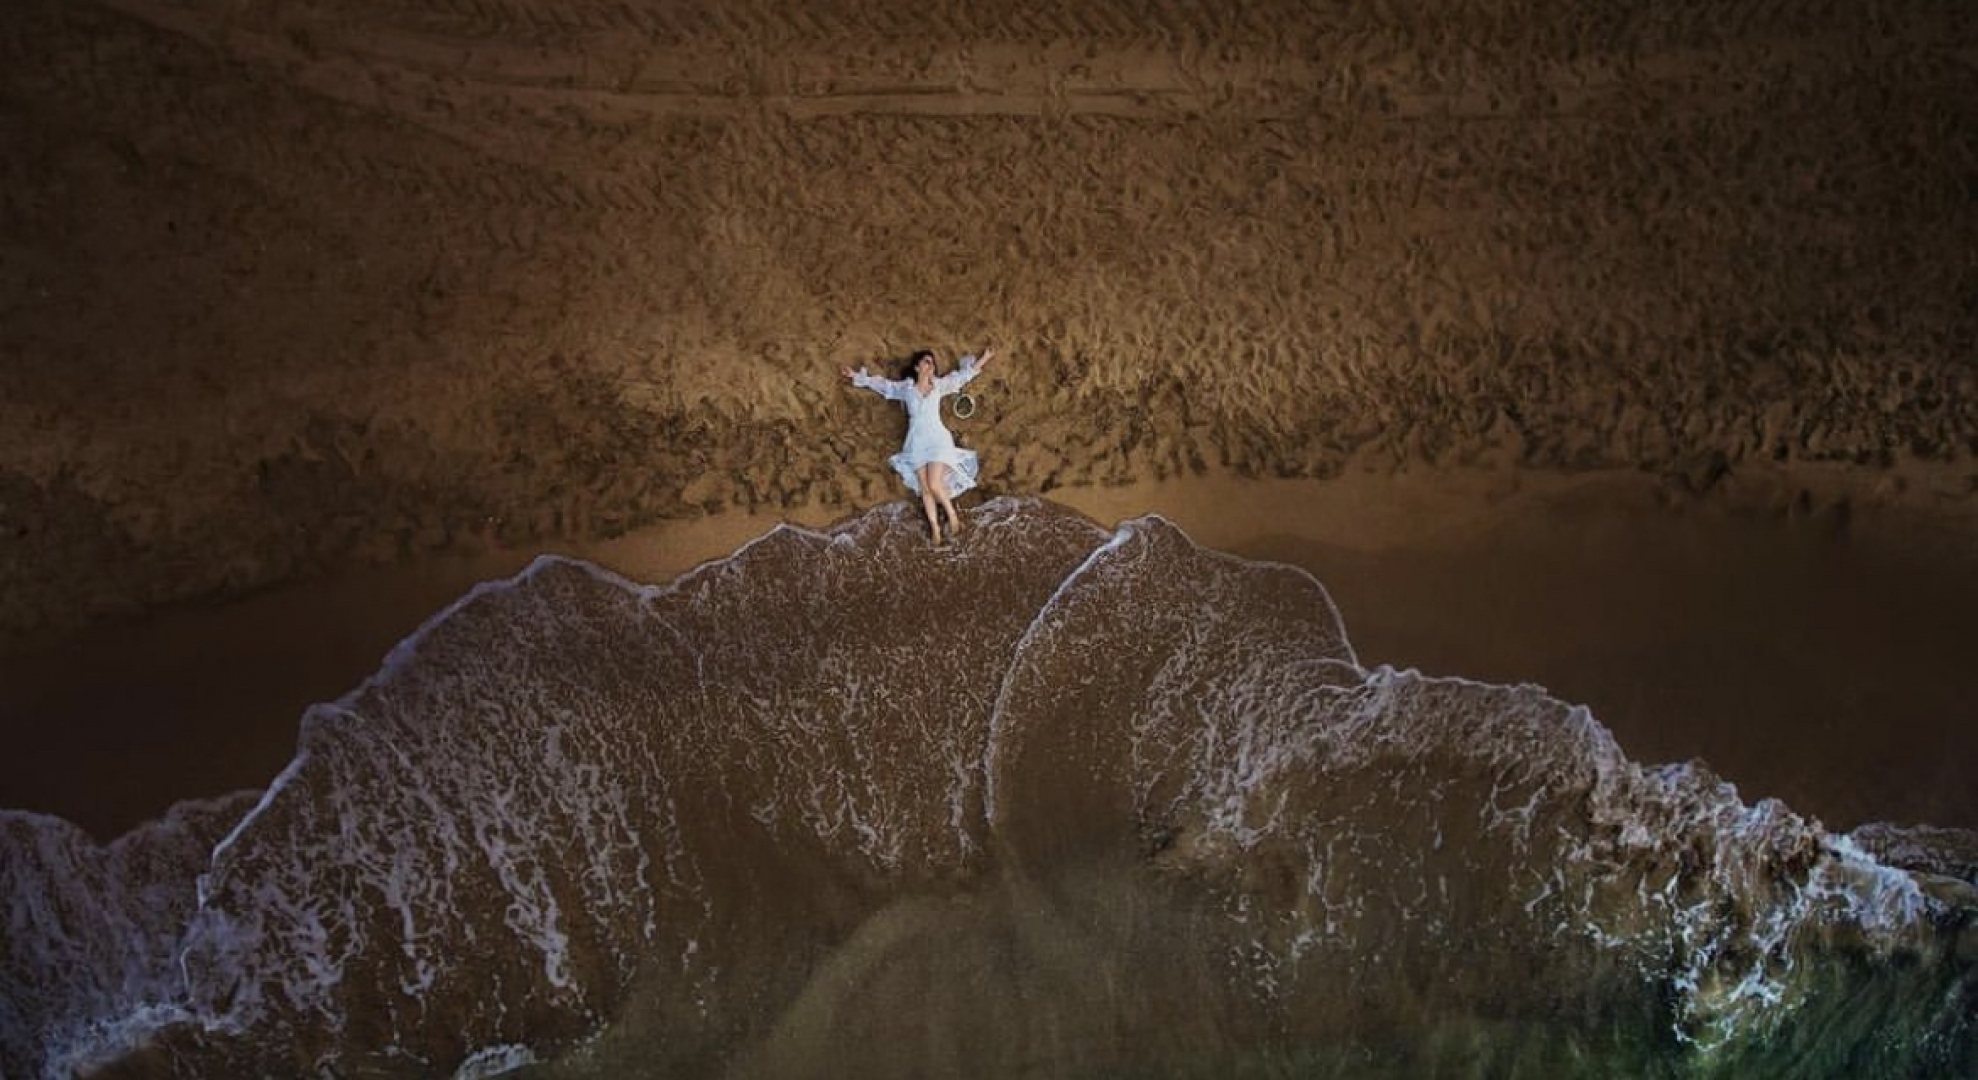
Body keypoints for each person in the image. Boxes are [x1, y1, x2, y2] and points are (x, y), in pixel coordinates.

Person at [842, 347, 997, 545]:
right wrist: (855, 376)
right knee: (925, 488)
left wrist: (984, 358)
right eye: (926, 361)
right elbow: (883, 386)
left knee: (934, 484)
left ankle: (953, 517)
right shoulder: (907, 389)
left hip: (938, 439)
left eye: (932, 362)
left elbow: (963, 377)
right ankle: (935, 528)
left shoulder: (939, 385)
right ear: (917, 367)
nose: (930, 365)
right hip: (916, 442)